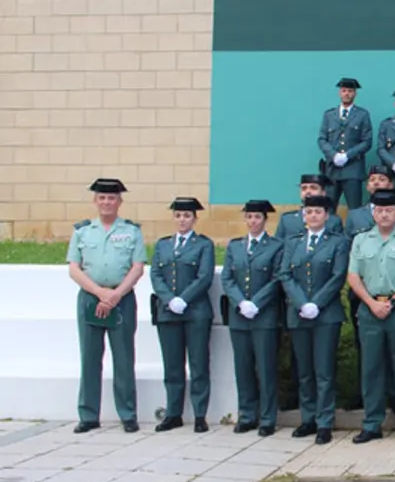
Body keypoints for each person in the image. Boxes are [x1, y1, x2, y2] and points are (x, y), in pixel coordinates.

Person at [347, 189, 395, 445]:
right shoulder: (361, 240)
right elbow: (353, 276)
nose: (384, 214)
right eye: (379, 210)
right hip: (369, 309)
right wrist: (371, 303)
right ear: (373, 213)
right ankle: (372, 424)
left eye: (389, 210)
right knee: (370, 368)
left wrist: (391, 302)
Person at [67, 178, 145, 434]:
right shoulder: (82, 230)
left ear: (119, 202)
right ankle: (88, 415)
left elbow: (137, 267)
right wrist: (101, 293)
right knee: (89, 358)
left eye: (111, 198)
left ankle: (128, 414)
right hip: (90, 297)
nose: (106, 202)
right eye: (102, 197)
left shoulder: (132, 231)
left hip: (122, 298)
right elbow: (74, 269)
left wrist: (115, 295)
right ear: (95, 201)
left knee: (123, 358)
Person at [278, 195, 350, 445]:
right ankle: (307, 418)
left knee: (324, 371)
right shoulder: (294, 243)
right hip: (298, 314)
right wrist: (301, 303)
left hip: (326, 315)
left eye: (318, 212)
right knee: (305, 370)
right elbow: (285, 274)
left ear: (327, 215)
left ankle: (324, 422)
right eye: (309, 212)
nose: (313, 216)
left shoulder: (337, 243)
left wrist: (316, 304)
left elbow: (338, 275)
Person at [221, 200, 285, 437]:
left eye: (257, 217)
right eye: (249, 217)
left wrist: (256, 303)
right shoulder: (235, 246)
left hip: (264, 316)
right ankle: (247, 415)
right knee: (243, 367)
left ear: (265, 220)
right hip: (240, 316)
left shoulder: (276, 246)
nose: (253, 221)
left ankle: (268, 417)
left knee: (266, 368)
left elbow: (277, 278)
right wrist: (241, 302)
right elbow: (227, 278)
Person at [151, 197, 215, 433]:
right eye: (178, 215)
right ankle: (173, 412)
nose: (182, 220)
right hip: (168, 312)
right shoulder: (163, 244)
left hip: (195, 311)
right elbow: (156, 274)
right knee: (173, 365)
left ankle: (200, 414)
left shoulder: (203, 245)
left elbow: (204, 276)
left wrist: (184, 299)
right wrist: (169, 299)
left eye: (187, 216)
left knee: (198, 364)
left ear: (194, 219)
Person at [318, 77, 373, 210]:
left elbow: (367, 141)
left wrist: (347, 155)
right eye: (344, 91)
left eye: (350, 91)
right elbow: (322, 139)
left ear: (355, 93)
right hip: (332, 169)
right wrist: (333, 155)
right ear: (339, 93)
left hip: (353, 169)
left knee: (355, 209)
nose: (347, 94)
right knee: (328, 209)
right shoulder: (329, 115)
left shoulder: (362, 115)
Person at [344, 165, 395, 234]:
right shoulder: (354, 215)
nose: (376, 183)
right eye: (372, 180)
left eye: (382, 179)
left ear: (390, 185)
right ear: (367, 187)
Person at [276, 174, 344, 240]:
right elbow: (278, 247)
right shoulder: (287, 219)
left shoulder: (333, 221)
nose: (308, 191)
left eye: (313, 188)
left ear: (323, 193)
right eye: (304, 188)